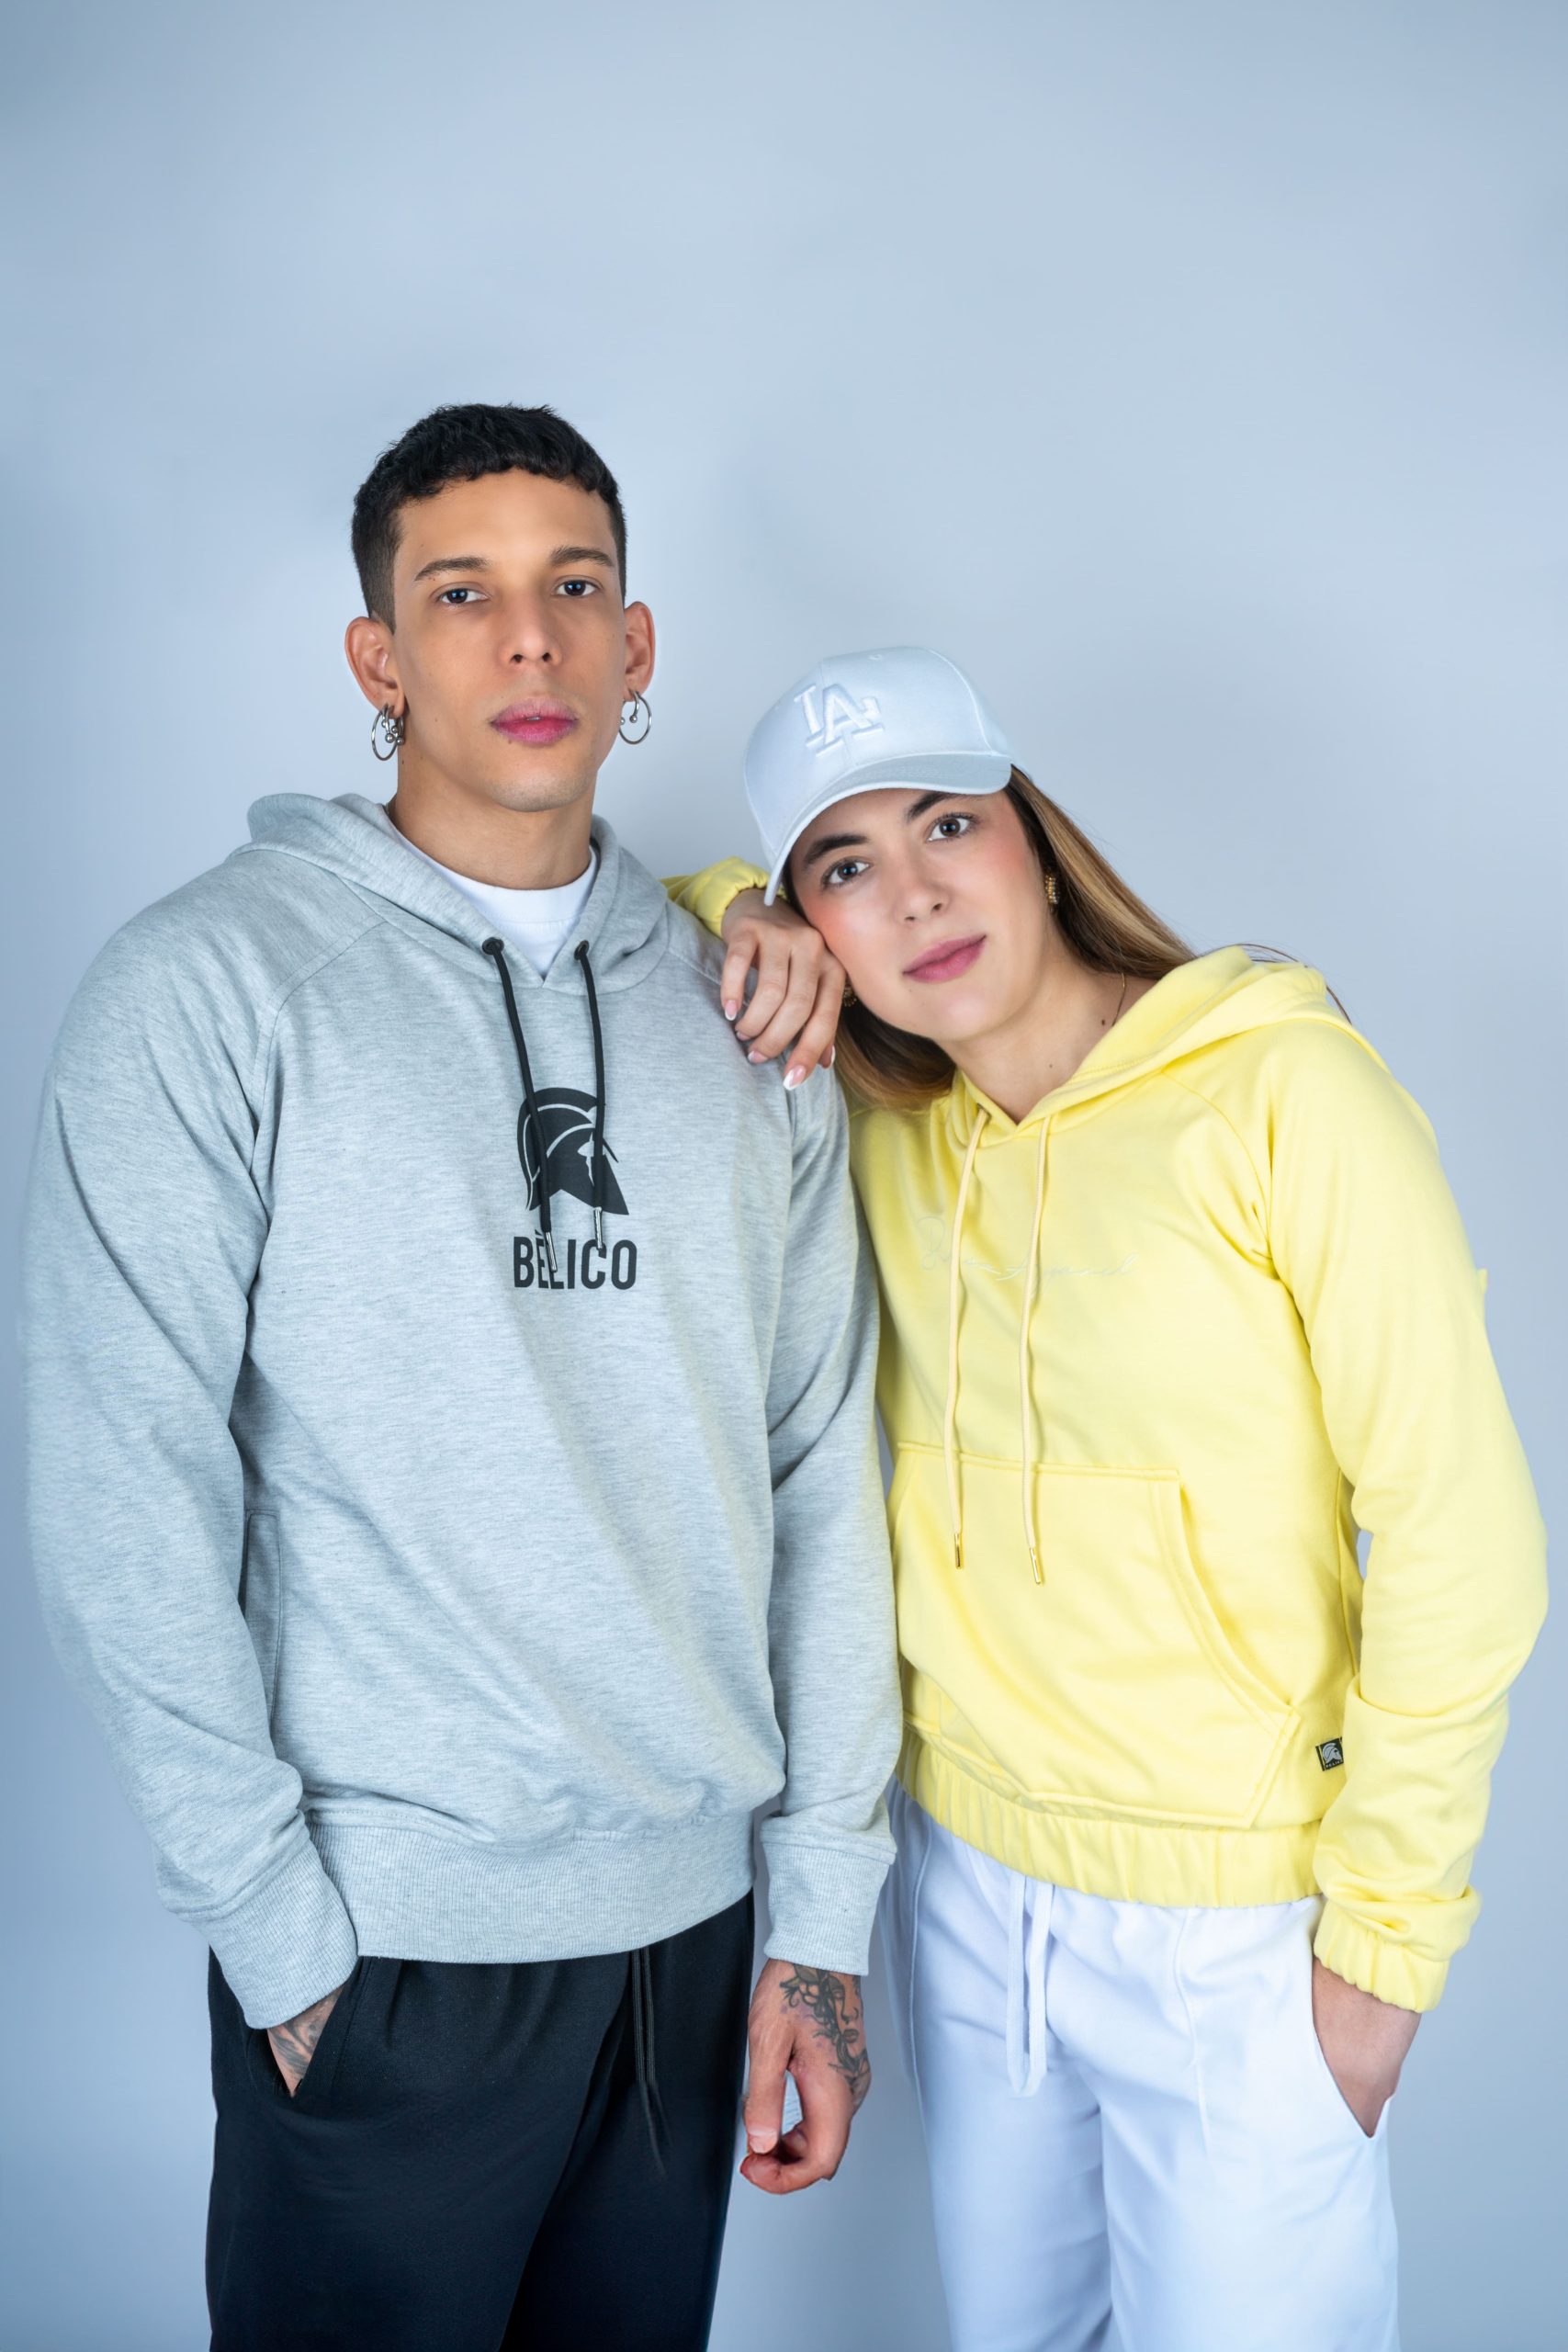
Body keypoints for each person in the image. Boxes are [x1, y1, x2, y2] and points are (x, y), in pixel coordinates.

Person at [19, 408, 902, 2352]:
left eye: (573, 586)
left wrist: (819, 1922)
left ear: (635, 644)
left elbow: (822, 1464)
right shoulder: (206, 988)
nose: (528, 637)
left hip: (689, 1950)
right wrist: (279, 1933)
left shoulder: (748, 1016)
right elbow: (121, 1481)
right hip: (382, 1949)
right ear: (379, 658)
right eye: (461, 593)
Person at [669, 644, 1549, 2352]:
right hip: (966, 1894)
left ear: (1036, 837)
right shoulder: (892, 1132)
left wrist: (1383, 1955)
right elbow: (654, 898)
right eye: (844, 869)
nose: (915, 898)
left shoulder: (1283, 1091)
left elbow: (1464, 1536)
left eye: (948, 825)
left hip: (1239, 1929)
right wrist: (738, 909)